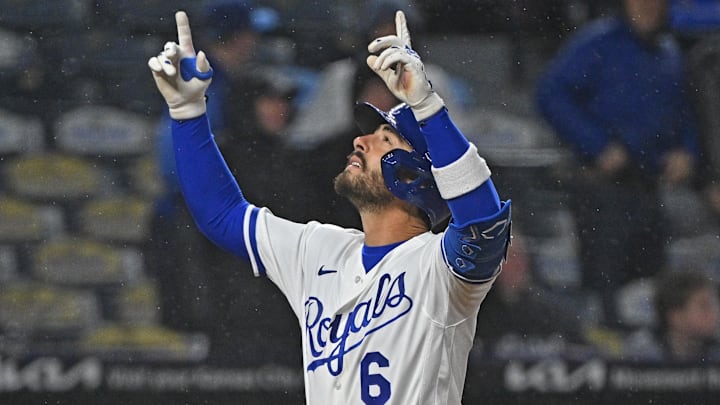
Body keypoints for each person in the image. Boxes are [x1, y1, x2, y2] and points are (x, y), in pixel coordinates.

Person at [148, 9, 511, 404]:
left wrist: (427, 107)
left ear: (414, 179)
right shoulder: (318, 249)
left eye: (384, 140)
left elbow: (483, 223)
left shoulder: (439, 268)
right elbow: (220, 214)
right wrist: (188, 114)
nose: (360, 141)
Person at [534, 0, 700, 325]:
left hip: (651, 187)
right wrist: (597, 146)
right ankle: (606, 362)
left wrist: (686, 152)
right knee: (604, 289)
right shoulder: (598, 42)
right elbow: (551, 93)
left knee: (654, 287)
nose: (649, 6)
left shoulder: (669, 51)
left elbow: (686, 111)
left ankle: (653, 370)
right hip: (604, 189)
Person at [652, 269, 720, 362]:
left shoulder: (716, 352)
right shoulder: (644, 356)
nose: (714, 313)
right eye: (704, 306)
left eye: (714, 305)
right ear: (676, 316)